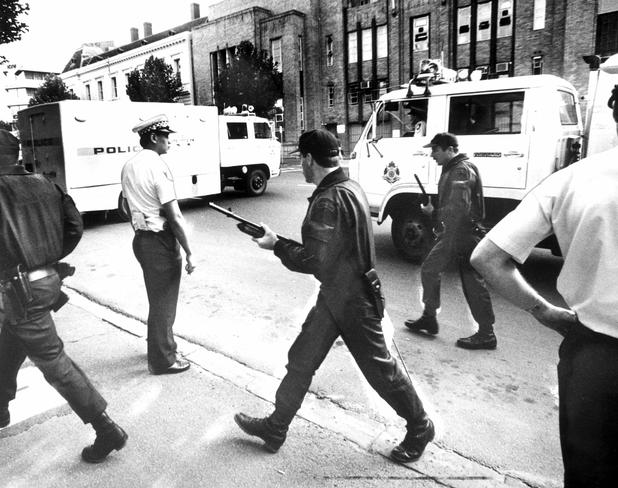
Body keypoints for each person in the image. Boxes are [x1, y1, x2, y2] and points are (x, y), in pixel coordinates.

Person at [234, 129, 434, 464]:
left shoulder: (327, 199)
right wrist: (280, 242)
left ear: (310, 159)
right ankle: (276, 426)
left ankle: (420, 426)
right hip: (341, 295)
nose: (303, 165)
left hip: (352, 300)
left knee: (380, 371)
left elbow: (316, 261)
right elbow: (331, 250)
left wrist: (275, 246)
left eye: (303, 159)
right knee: (302, 359)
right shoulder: (349, 186)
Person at [470, 81, 618, 487]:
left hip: (595, 357)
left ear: (615, 112)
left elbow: (487, 257)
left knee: (589, 472)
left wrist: (543, 310)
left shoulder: (572, 180)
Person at [0, 129, 127, 463]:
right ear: (16, 154)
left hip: (21, 289)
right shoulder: (46, 183)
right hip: (47, 281)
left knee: (54, 363)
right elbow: (75, 227)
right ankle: (0, 402)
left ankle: (106, 428)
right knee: (11, 337)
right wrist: (46, 259)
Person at [405, 132, 496, 350]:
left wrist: (433, 211)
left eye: (435, 150)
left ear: (449, 149)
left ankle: (486, 334)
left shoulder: (461, 169)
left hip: (464, 234)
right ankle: (429, 317)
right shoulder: (454, 168)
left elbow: (460, 209)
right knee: (430, 269)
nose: (432, 155)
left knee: (472, 283)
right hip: (454, 233)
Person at [121, 114, 195, 375]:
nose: (169, 141)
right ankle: (163, 360)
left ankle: (159, 348)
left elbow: (127, 207)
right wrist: (189, 251)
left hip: (141, 239)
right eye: (166, 136)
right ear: (153, 138)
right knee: (165, 302)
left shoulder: (129, 166)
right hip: (160, 241)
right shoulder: (158, 166)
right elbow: (173, 215)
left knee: (156, 299)